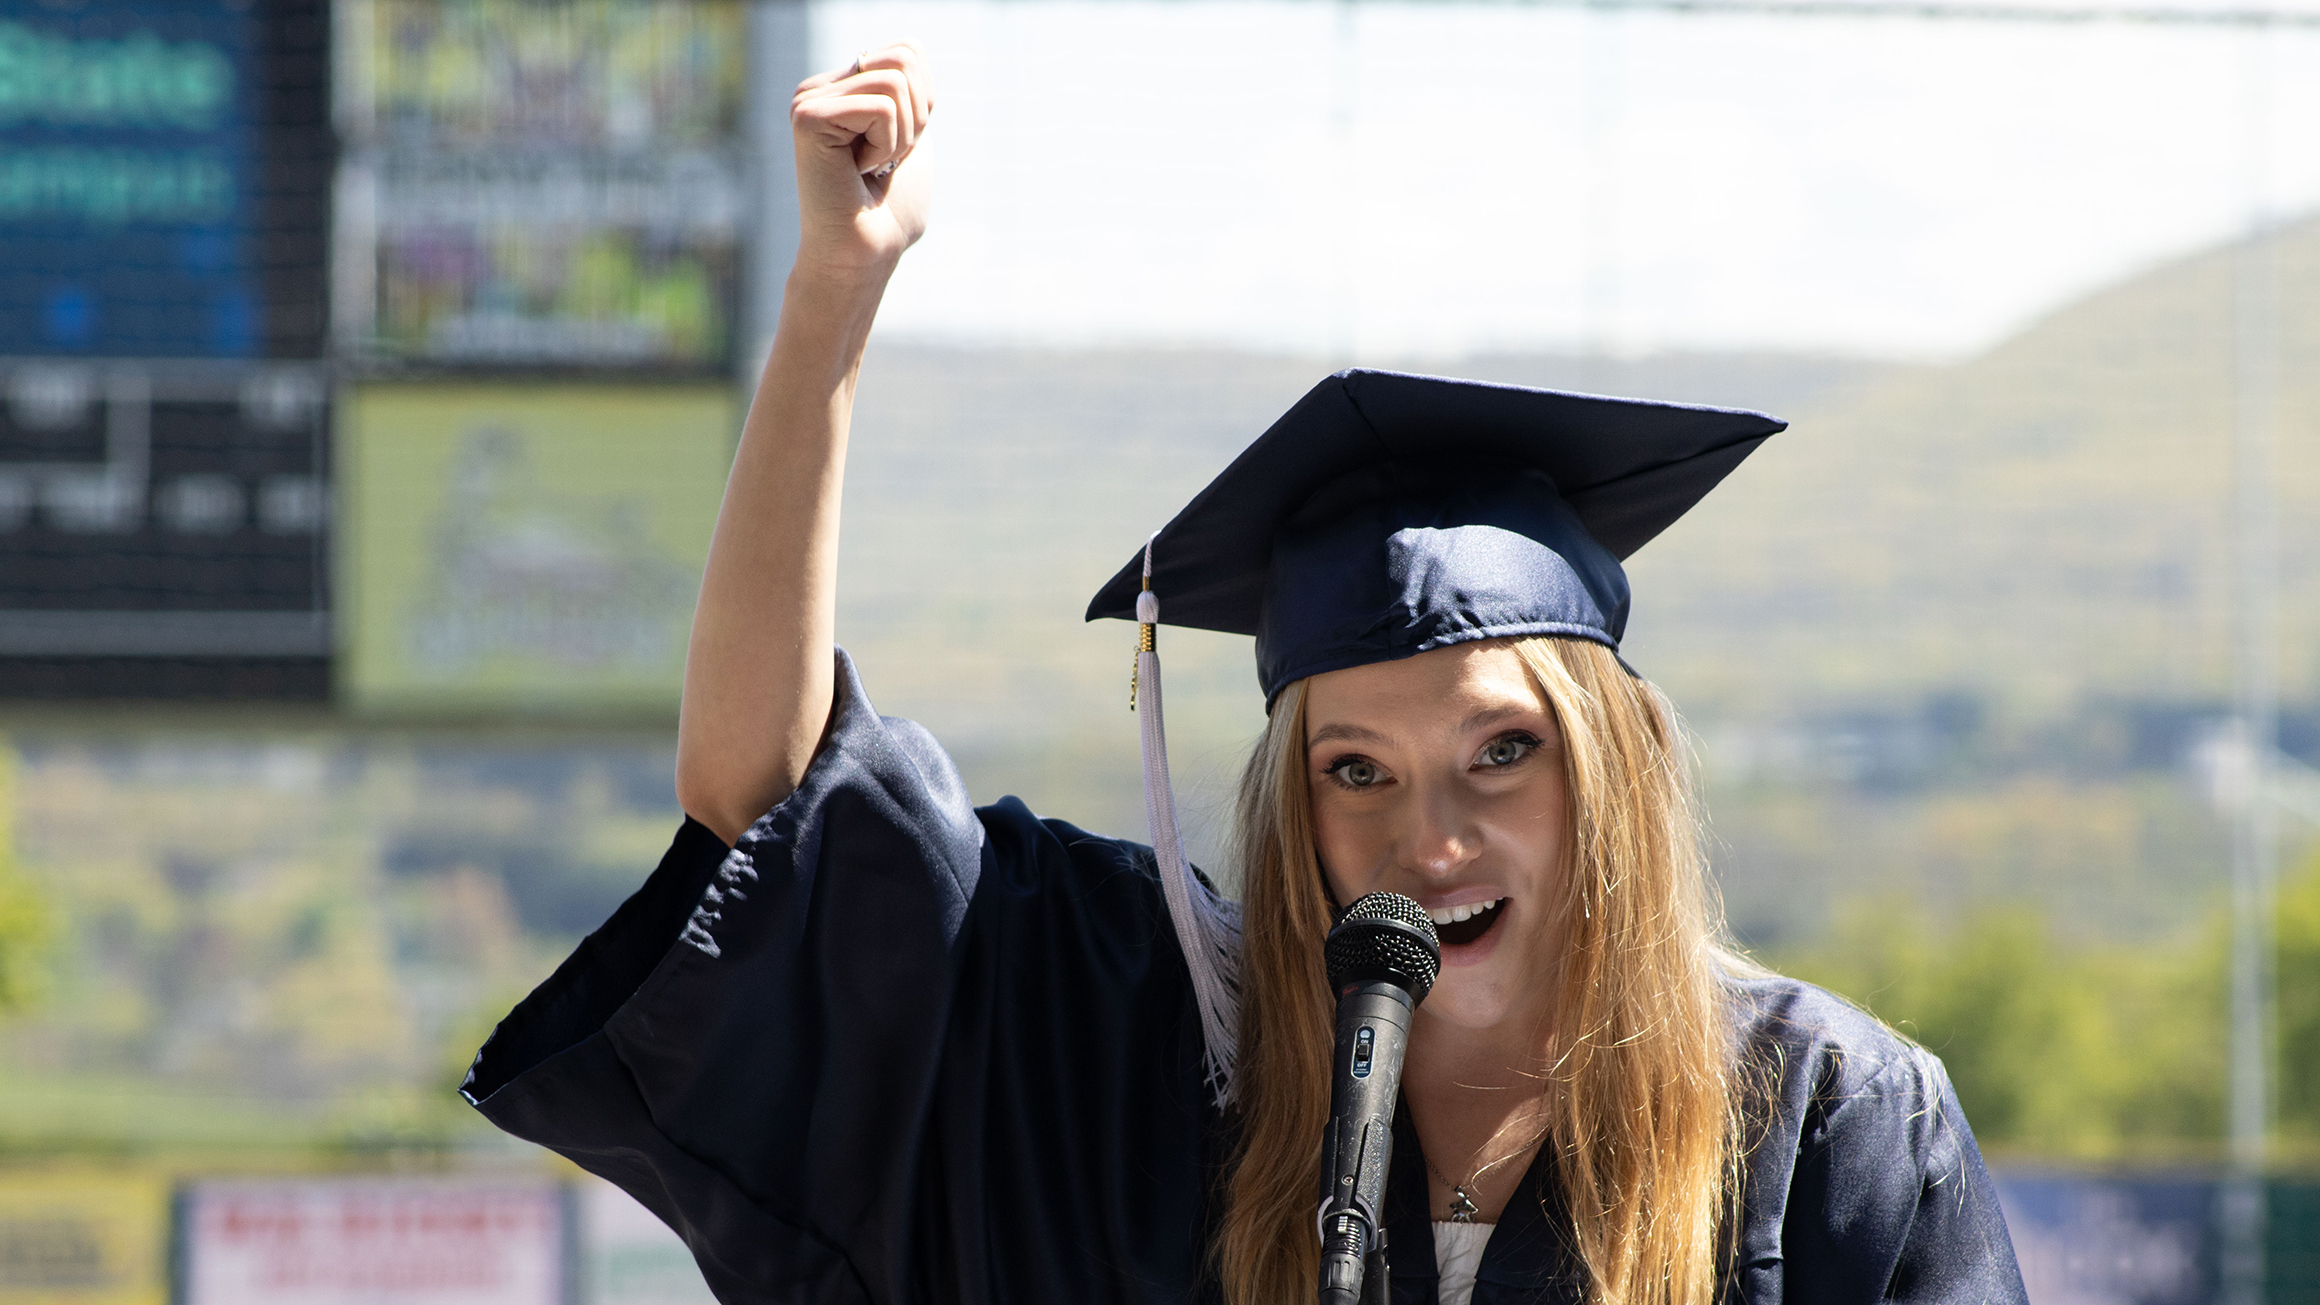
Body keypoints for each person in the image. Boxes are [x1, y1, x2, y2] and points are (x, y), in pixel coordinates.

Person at [462, 44, 2030, 1305]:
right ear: (1292, 792)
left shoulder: (1823, 1122)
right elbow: (768, 808)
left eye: (1502, 754)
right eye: (1357, 768)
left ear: (1615, 771)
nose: (1433, 839)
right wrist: (831, 305)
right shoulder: (1152, 1056)